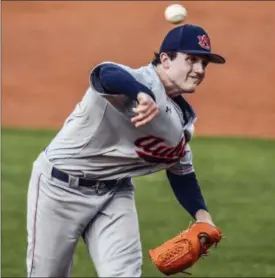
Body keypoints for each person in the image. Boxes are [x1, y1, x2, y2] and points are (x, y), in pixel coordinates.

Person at [26, 23, 225, 277]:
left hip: (114, 193)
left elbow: (181, 171)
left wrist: (203, 216)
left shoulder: (180, 120)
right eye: (192, 60)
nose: (199, 70)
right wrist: (141, 95)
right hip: (58, 188)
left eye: (204, 64)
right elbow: (103, 74)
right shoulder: (136, 81)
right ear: (165, 60)